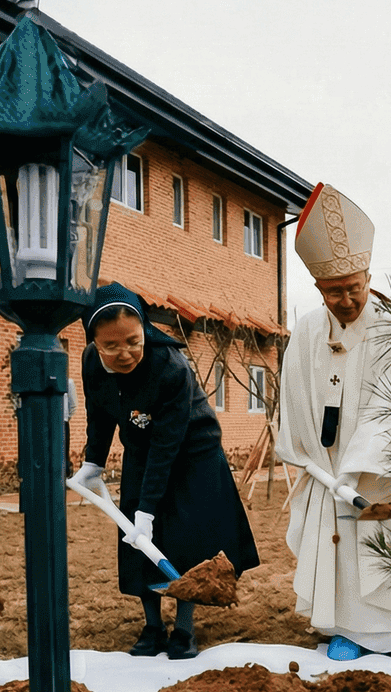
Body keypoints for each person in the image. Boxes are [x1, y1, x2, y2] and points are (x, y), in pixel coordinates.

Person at [277, 183, 391, 666]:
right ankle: (347, 629)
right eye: (334, 292)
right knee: (342, 550)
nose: (346, 300)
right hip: (332, 468)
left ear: (368, 277)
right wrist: (317, 460)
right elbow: (293, 398)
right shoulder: (310, 329)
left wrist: (366, 461)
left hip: (386, 468)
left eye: (354, 288)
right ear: (318, 290)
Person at [69, 283, 259, 660]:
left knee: (183, 534)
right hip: (142, 447)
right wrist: (94, 461)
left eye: (133, 341)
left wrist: (148, 510)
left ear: (143, 329)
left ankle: (184, 628)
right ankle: (153, 625)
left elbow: (168, 444)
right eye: (111, 346)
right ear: (93, 342)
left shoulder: (169, 366)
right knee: (136, 540)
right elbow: (101, 413)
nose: (124, 354)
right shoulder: (92, 362)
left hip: (193, 453)